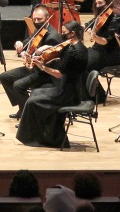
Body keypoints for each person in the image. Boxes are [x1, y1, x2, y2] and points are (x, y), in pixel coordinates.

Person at [16, 20, 88, 148]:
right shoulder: (75, 46)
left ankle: (42, 138)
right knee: (35, 92)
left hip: (68, 93)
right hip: (67, 87)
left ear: (72, 33)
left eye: (64, 32)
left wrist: (42, 66)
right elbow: (63, 61)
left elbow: (58, 73)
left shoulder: (75, 52)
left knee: (33, 102)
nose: (62, 34)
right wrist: (45, 57)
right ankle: (41, 134)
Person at [0, 5, 63, 117]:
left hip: (45, 73)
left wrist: (31, 59)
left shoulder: (53, 37)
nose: (36, 21)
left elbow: (49, 62)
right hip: (34, 68)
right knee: (4, 77)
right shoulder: (39, 30)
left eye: (39, 19)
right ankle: (22, 107)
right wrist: (20, 44)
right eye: (34, 19)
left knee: (18, 86)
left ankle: (28, 115)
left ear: (47, 18)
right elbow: (28, 41)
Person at [83, 0, 120, 73]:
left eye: (100, 3)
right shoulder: (101, 15)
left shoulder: (116, 18)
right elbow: (88, 24)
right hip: (97, 50)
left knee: (85, 65)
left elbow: (104, 41)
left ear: (108, 3)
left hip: (110, 54)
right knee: (78, 59)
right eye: (96, 3)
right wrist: (78, 27)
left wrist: (94, 36)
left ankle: (90, 84)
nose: (98, 6)